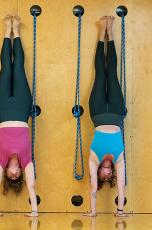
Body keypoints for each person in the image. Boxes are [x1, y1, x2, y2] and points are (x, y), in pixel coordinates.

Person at [0, 15, 38, 217]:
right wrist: (34, 211)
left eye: (12, 176)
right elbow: (32, 187)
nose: (15, 173)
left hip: (3, 110)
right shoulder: (26, 161)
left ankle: (6, 30)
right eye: (18, 177)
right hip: (23, 109)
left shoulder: (1, 160)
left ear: (8, 172)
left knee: (6, 68)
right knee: (18, 69)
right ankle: (15, 30)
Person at [84, 16, 127, 218]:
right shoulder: (119, 160)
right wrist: (120, 210)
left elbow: (93, 187)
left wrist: (93, 212)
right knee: (113, 72)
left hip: (98, 111)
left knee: (101, 73)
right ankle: (111, 32)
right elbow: (121, 187)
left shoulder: (94, 159)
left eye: (104, 176)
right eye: (110, 177)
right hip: (117, 111)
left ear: (99, 174)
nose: (107, 174)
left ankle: (102, 32)